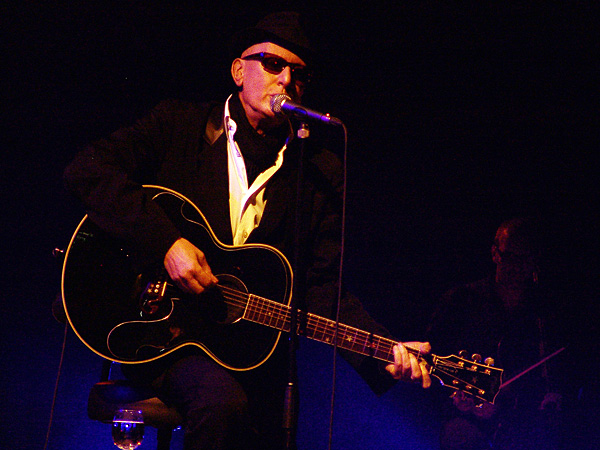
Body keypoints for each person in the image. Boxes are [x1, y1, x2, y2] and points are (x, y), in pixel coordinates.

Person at [63, 11, 431, 450]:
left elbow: (319, 286)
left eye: (299, 73)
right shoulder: (179, 125)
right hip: (160, 333)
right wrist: (165, 243)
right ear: (239, 70)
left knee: (278, 419)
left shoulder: (317, 171)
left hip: (247, 353)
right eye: (274, 64)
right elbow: (87, 169)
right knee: (223, 405)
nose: (287, 79)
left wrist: (379, 354)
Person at [426, 217, 567, 450]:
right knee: (458, 435)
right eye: (510, 257)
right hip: (469, 422)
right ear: (495, 253)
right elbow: (430, 360)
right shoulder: (461, 301)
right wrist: (455, 397)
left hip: (524, 425)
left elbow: (555, 378)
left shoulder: (545, 313)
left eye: (525, 259)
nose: (517, 267)